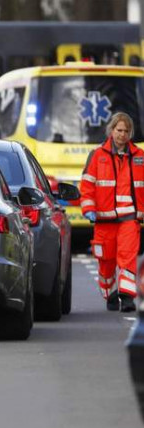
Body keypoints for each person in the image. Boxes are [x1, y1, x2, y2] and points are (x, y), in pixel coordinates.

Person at [80, 112, 142, 313]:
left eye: (126, 131)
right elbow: (87, 185)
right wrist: (89, 209)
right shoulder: (97, 155)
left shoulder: (139, 157)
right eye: (119, 130)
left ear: (130, 133)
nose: (122, 135)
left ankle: (128, 297)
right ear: (111, 130)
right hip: (104, 220)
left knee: (127, 258)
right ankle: (110, 293)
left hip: (129, 219)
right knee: (106, 264)